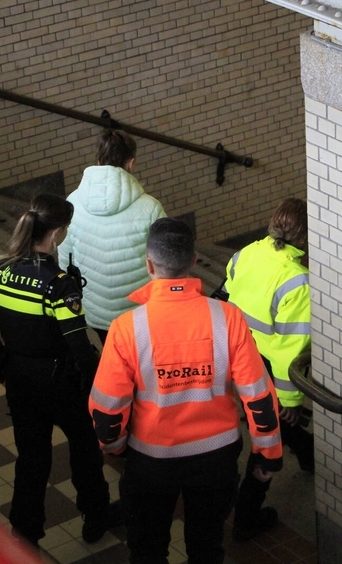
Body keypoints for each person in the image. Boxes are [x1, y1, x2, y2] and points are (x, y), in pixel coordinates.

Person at [89, 218, 283, 564]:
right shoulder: (228, 318)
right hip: (217, 458)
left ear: (149, 265)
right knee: (207, 548)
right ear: (194, 260)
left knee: (147, 551)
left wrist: (115, 446)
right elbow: (259, 396)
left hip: (150, 460)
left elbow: (107, 408)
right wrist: (268, 455)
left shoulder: (126, 328)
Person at [0, 193, 118, 547]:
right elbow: (79, 348)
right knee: (84, 451)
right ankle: (95, 517)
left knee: (32, 460)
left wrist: (7, 362)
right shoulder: (58, 285)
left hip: (21, 383)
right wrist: (98, 381)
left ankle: (25, 534)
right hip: (63, 385)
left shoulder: (1, 273)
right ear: (56, 234)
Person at [222, 197, 315, 542]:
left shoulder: (246, 253)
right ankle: (247, 514)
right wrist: (291, 401)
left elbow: (229, 297)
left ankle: (307, 452)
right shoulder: (298, 282)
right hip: (268, 373)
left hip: (237, 360)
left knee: (268, 425)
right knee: (267, 438)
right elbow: (289, 350)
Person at [58, 129, 165, 344]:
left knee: (111, 356)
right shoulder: (150, 208)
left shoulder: (73, 202)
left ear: (98, 160)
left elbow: (65, 260)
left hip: (95, 311)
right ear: (131, 163)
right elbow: (167, 262)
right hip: (138, 314)